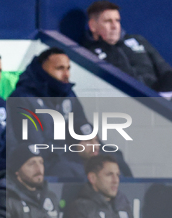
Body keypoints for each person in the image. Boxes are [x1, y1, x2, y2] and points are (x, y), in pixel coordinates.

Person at [8, 47, 132, 177]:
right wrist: (73, 153)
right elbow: (34, 144)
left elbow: (82, 125)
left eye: (68, 68)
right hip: (47, 160)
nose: (66, 74)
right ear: (42, 69)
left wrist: (94, 147)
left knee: (115, 157)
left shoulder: (68, 94)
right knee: (73, 170)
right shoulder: (22, 98)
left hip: (71, 155)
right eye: (60, 68)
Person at [82, 1, 172, 97]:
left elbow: (167, 71)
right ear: (93, 26)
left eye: (117, 20)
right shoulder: (88, 53)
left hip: (157, 96)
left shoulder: (138, 40)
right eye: (108, 21)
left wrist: (161, 98)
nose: (114, 26)